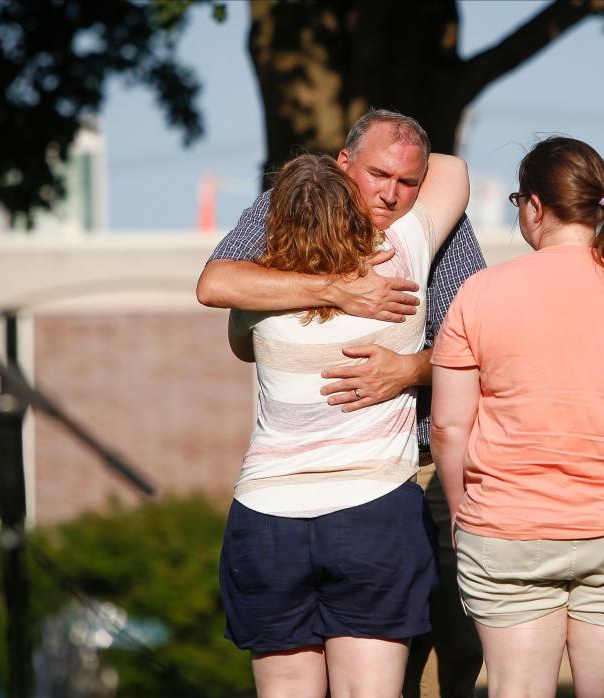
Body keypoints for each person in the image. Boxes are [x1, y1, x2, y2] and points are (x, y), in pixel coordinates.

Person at [197, 109, 485, 697]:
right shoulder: (404, 247)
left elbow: (231, 321)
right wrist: (339, 287)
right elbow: (453, 170)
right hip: (377, 501)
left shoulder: (264, 281)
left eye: (409, 181)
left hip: (269, 509)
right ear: (343, 166)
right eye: (379, 175)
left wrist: (408, 368)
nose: (393, 194)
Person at [430, 136, 604, 698]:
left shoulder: (479, 295)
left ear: (533, 206)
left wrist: (462, 512)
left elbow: (448, 428)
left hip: (506, 529)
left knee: (516, 688)